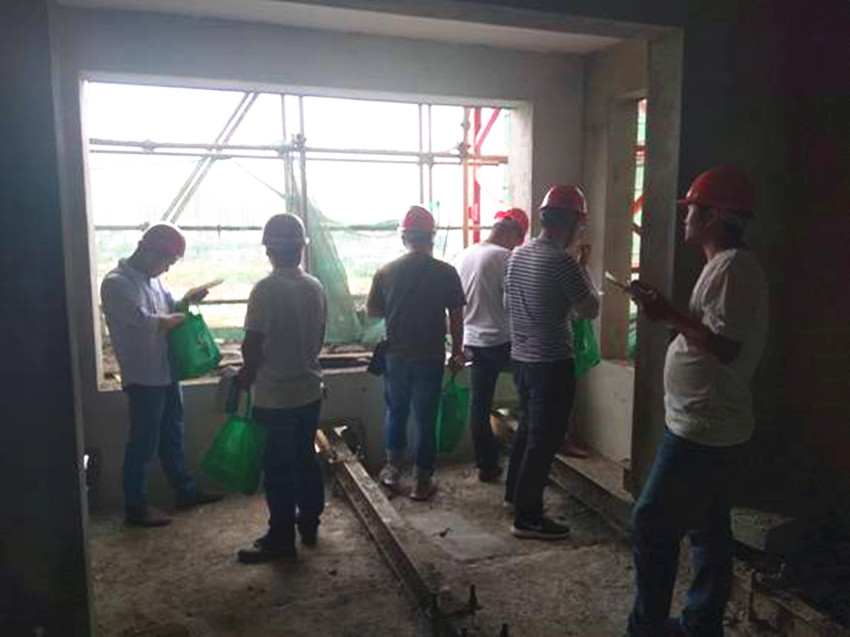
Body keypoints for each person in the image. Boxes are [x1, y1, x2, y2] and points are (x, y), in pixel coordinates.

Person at [626, 167, 768, 636]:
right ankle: (702, 623)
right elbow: (710, 333)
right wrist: (667, 311)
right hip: (705, 421)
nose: (685, 218)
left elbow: (726, 348)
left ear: (714, 217)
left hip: (704, 427)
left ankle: (648, 628)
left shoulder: (734, 268)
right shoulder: (723, 265)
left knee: (651, 522)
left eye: (692, 211)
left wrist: (667, 313)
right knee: (708, 527)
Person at [100, 222, 222, 527]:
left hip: (166, 372)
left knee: (172, 436)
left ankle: (185, 491)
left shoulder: (153, 282)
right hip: (143, 378)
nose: (167, 269)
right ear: (149, 252)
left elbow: (169, 308)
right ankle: (136, 508)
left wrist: (186, 301)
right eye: (167, 261)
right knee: (142, 444)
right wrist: (174, 319)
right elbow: (144, 320)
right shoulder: (116, 283)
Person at [503, 186, 600, 540]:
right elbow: (590, 309)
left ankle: (514, 497)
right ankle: (528, 519)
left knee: (528, 430)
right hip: (552, 363)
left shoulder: (517, 255)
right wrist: (582, 267)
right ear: (573, 223)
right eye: (581, 224)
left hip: (522, 359)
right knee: (544, 441)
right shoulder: (562, 262)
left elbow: (508, 303)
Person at [235, 214, 328, 564]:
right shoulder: (315, 287)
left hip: (274, 397)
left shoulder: (265, 290)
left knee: (277, 468)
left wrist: (246, 375)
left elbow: (252, 344)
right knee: (305, 458)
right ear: (301, 249)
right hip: (309, 390)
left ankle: (281, 538)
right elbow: (319, 337)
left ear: (269, 250)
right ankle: (309, 523)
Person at [366, 205, 466, 501]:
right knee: (426, 418)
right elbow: (457, 317)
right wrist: (457, 352)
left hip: (396, 356)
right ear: (431, 237)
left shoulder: (385, 272)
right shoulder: (446, 272)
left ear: (404, 237)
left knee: (396, 412)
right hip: (430, 356)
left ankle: (392, 470)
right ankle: (422, 481)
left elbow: (374, 312)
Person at [453, 208, 529, 483]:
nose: (516, 247)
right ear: (512, 234)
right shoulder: (505, 258)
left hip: (472, 341)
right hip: (503, 342)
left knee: (479, 404)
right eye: (518, 241)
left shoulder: (463, 255)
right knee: (531, 399)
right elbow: (516, 303)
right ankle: (525, 465)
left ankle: (487, 465)